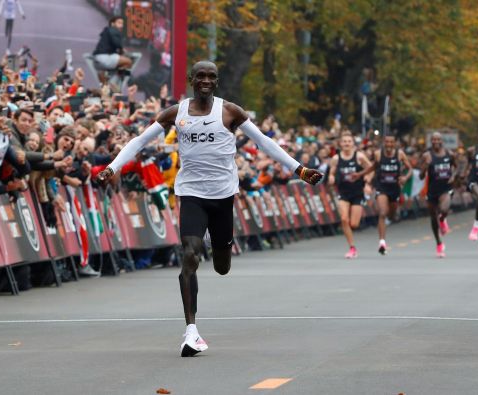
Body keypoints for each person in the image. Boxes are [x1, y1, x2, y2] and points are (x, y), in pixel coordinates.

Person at [97, 61, 323, 357]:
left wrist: (299, 169)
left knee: (221, 266)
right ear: (191, 79)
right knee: (189, 254)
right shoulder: (175, 113)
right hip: (190, 193)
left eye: (211, 77)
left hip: (222, 196)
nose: (205, 80)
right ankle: (191, 331)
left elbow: (264, 142)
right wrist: (112, 168)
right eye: (200, 76)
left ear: (216, 81)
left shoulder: (230, 111)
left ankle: (221, 247)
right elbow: (139, 142)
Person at [361, 134, 412, 255]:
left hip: (394, 188)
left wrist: (405, 177)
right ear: (384, 142)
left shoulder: (400, 154)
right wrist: (360, 175)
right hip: (381, 187)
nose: (389, 145)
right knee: (382, 212)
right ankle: (382, 242)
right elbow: (373, 167)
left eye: (391, 142)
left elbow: (410, 169)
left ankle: (391, 216)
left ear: (395, 143)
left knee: (392, 215)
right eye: (387, 142)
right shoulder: (378, 154)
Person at [328, 131, 372, 259]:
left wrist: (368, 182)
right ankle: (352, 248)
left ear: (353, 144)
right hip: (343, 192)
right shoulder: (336, 158)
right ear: (341, 144)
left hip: (358, 193)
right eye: (344, 141)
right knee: (343, 219)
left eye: (349, 141)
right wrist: (331, 178)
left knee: (354, 224)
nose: (347, 143)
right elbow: (331, 172)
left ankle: (352, 244)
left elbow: (371, 169)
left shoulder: (359, 157)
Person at [419, 132, 457, 258]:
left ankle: (443, 219)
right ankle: (439, 244)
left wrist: (453, 175)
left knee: (444, 209)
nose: (435, 141)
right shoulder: (427, 155)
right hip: (432, 190)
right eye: (433, 139)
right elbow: (420, 175)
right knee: (433, 218)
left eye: (438, 139)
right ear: (431, 141)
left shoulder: (449, 154)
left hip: (445, 188)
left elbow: (456, 168)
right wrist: (426, 165)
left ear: (442, 141)